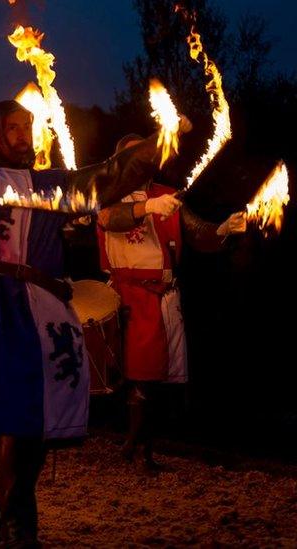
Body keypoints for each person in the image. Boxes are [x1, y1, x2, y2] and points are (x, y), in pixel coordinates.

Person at [0, 100, 175, 545]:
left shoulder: (51, 184)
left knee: (37, 423)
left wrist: (164, 140)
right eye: (14, 128)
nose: (25, 135)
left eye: (28, 126)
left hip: (47, 308)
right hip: (3, 305)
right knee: (23, 417)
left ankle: (15, 508)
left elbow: (105, 178)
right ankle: (11, 515)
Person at [97, 134, 246, 471]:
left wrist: (223, 228)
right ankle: (136, 448)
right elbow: (111, 219)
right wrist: (146, 207)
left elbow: (196, 232)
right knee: (142, 377)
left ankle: (138, 447)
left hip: (164, 298)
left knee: (157, 380)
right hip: (130, 297)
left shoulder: (167, 196)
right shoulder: (105, 196)